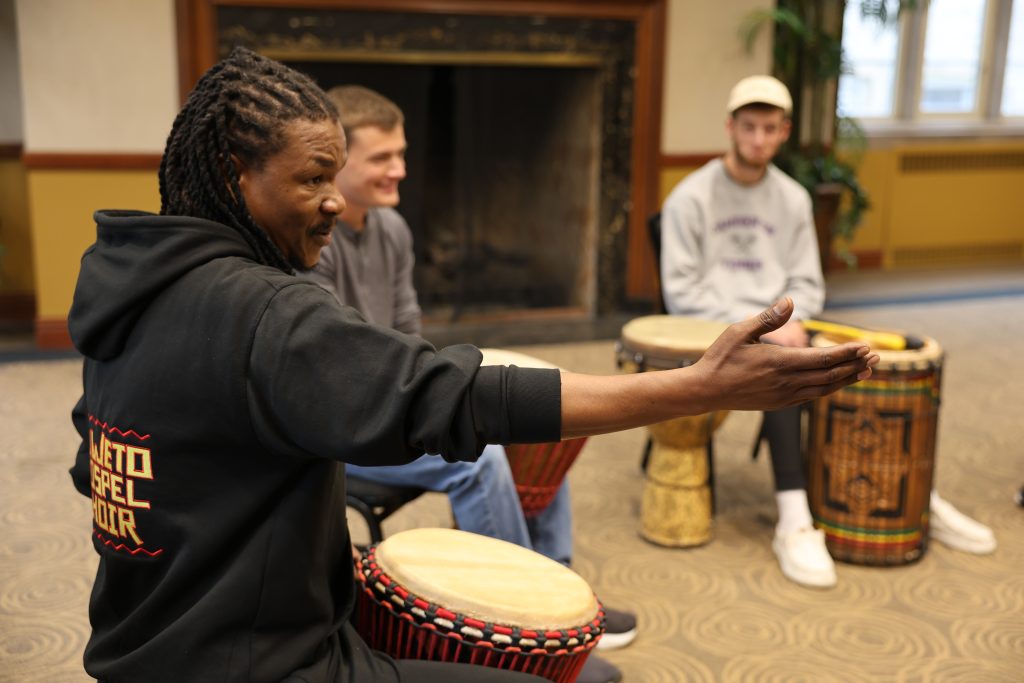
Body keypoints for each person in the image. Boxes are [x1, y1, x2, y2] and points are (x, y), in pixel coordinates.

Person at [67, 48, 875, 682]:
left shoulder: (129, 280)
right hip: (263, 664)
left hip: (142, 647)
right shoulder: (266, 310)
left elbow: (93, 464)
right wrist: (693, 388)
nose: (336, 201)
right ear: (233, 176)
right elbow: (448, 394)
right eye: (313, 177)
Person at [302, 85, 632, 682]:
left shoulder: (393, 231)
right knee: (476, 458)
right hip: (342, 431)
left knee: (523, 417)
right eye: (383, 158)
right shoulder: (313, 242)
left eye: (402, 153)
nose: (401, 169)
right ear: (337, 160)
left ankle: (556, 588)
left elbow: (406, 337)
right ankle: (534, 626)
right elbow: (343, 374)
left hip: (389, 402)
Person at [659, 74, 996, 589]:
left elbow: (808, 282)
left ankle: (911, 493)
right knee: (779, 364)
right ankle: (794, 518)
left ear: (784, 132)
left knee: (865, 359)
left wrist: (790, 320)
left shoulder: (792, 198)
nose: (757, 139)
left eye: (769, 128)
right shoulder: (692, 196)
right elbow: (682, 292)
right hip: (714, 332)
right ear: (730, 127)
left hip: (788, 323)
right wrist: (764, 325)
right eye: (748, 127)